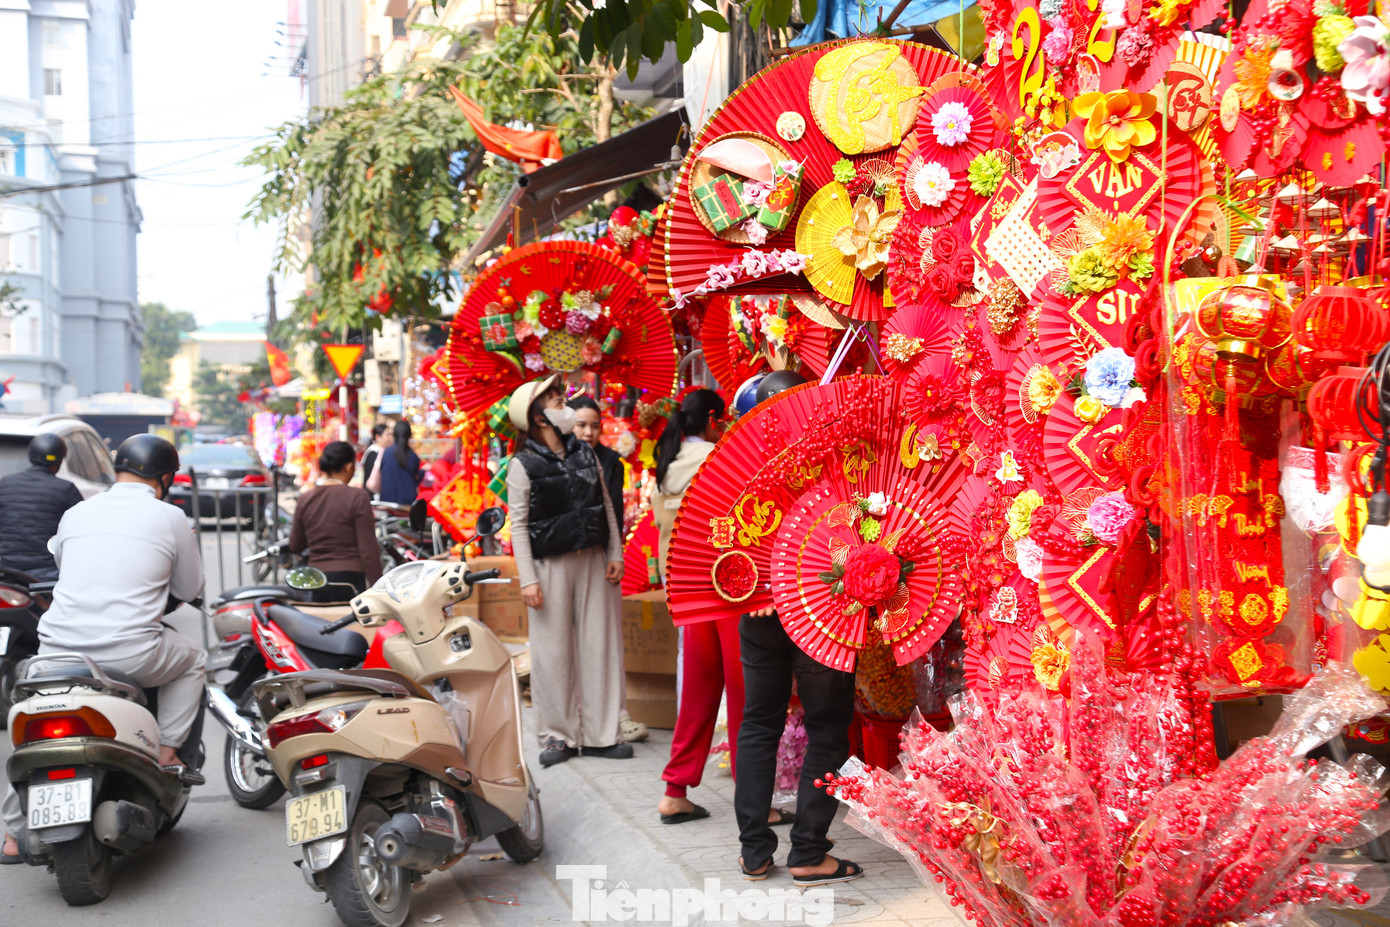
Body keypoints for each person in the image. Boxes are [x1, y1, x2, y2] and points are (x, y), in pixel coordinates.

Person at [2, 434, 206, 862]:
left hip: (56, 651)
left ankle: (11, 834)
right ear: (165, 477)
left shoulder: (78, 511)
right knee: (194, 660)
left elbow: (65, 564)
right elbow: (188, 588)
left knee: (37, 733)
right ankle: (167, 753)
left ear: (118, 469)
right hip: (131, 652)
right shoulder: (169, 516)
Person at [733, 370, 862, 886]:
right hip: (821, 607)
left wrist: (760, 586)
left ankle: (753, 852)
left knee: (759, 722)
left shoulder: (736, 464)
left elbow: (720, 539)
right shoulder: (834, 457)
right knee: (828, 727)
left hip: (758, 608)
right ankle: (808, 850)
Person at [651, 390, 777, 827]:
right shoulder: (722, 455)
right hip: (730, 587)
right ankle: (754, 798)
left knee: (699, 693)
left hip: (690, 594)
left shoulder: (665, 465)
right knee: (748, 696)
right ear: (711, 419)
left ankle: (675, 791)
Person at [506, 376, 628, 768]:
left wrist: (615, 551)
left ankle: (601, 734)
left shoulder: (585, 453)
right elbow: (519, 525)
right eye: (557, 401)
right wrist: (527, 578)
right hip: (548, 565)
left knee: (601, 645)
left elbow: (606, 505)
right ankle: (557, 736)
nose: (565, 405)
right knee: (551, 652)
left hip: (593, 557)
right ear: (538, 418)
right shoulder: (522, 465)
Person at [569, 395, 648, 745]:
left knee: (608, 639)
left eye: (593, 425)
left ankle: (618, 712)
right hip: (566, 559)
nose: (587, 431)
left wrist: (614, 554)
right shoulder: (557, 460)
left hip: (603, 556)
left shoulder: (610, 461)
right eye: (580, 424)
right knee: (570, 639)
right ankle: (579, 713)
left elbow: (613, 512)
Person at [289, 441, 382, 598]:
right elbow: (368, 551)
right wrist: (378, 587)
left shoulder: (305, 498)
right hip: (350, 580)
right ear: (348, 466)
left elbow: (295, 544)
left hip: (317, 579)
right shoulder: (358, 497)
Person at [0, 434, 83, 580]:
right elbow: (81, 530)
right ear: (59, 460)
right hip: (49, 574)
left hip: (8, 571)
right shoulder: (66, 489)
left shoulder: (5, 484)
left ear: (30, 455)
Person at [375, 420, 422, 505]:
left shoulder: (386, 453)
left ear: (394, 435)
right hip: (408, 504)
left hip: (387, 503)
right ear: (409, 435)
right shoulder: (413, 456)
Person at [360, 423, 390, 495]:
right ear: (377, 437)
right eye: (387, 435)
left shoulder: (381, 451)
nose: (390, 438)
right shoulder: (373, 453)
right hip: (373, 495)